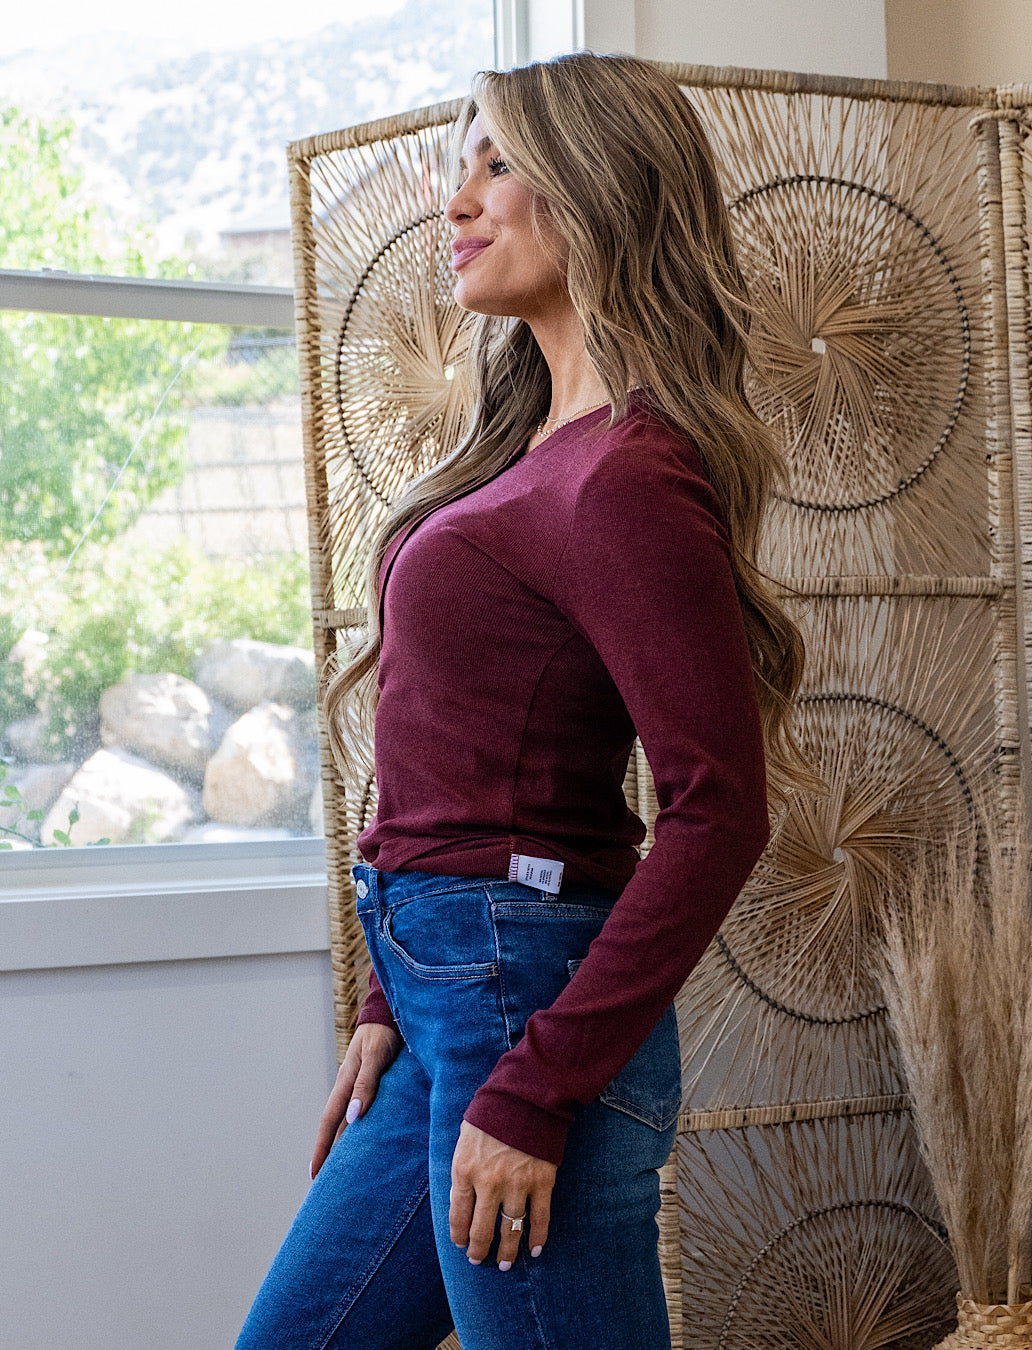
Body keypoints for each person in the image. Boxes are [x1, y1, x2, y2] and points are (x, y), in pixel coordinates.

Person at [236, 49, 818, 1350]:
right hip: (448, 996)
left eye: (497, 164)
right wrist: (390, 1001)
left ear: (596, 184)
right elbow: (451, 761)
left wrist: (538, 1084)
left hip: (526, 1012)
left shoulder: (627, 477)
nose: (455, 202)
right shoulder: (530, 452)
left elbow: (720, 809)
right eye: (464, 166)